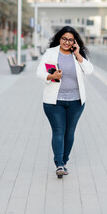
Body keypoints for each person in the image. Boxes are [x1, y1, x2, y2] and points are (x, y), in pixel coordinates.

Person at [36, 26, 94, 178]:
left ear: (75, 42)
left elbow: (89, 71)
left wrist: (78, 55)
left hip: (76, 101)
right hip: (54, 102)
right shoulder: (51, 53)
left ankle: (64, 161)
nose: (67, 42)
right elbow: (40, 72)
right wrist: (52, 76)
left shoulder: (77, 55)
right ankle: (59, 164)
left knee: (70, 132)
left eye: (70, 40)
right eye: (64, 39)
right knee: (58, 131)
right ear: (59, 38)